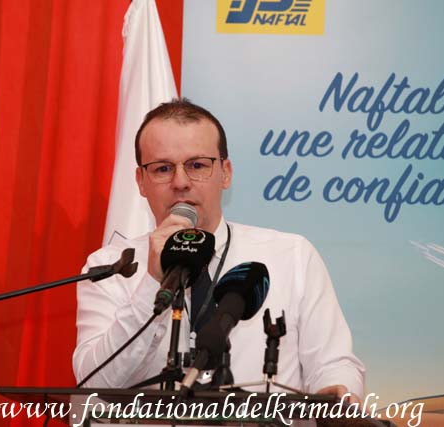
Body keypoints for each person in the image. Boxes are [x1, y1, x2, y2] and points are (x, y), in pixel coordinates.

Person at [73, 99, 365, 402]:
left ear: (225, 173)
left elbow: (334, 365)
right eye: (163, 169)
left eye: (197, 165)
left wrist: (338, 391)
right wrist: (151, 283)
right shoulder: (112, 266)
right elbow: (94, 382)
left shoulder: (292, 256)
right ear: (141, 182)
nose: (180, 182)